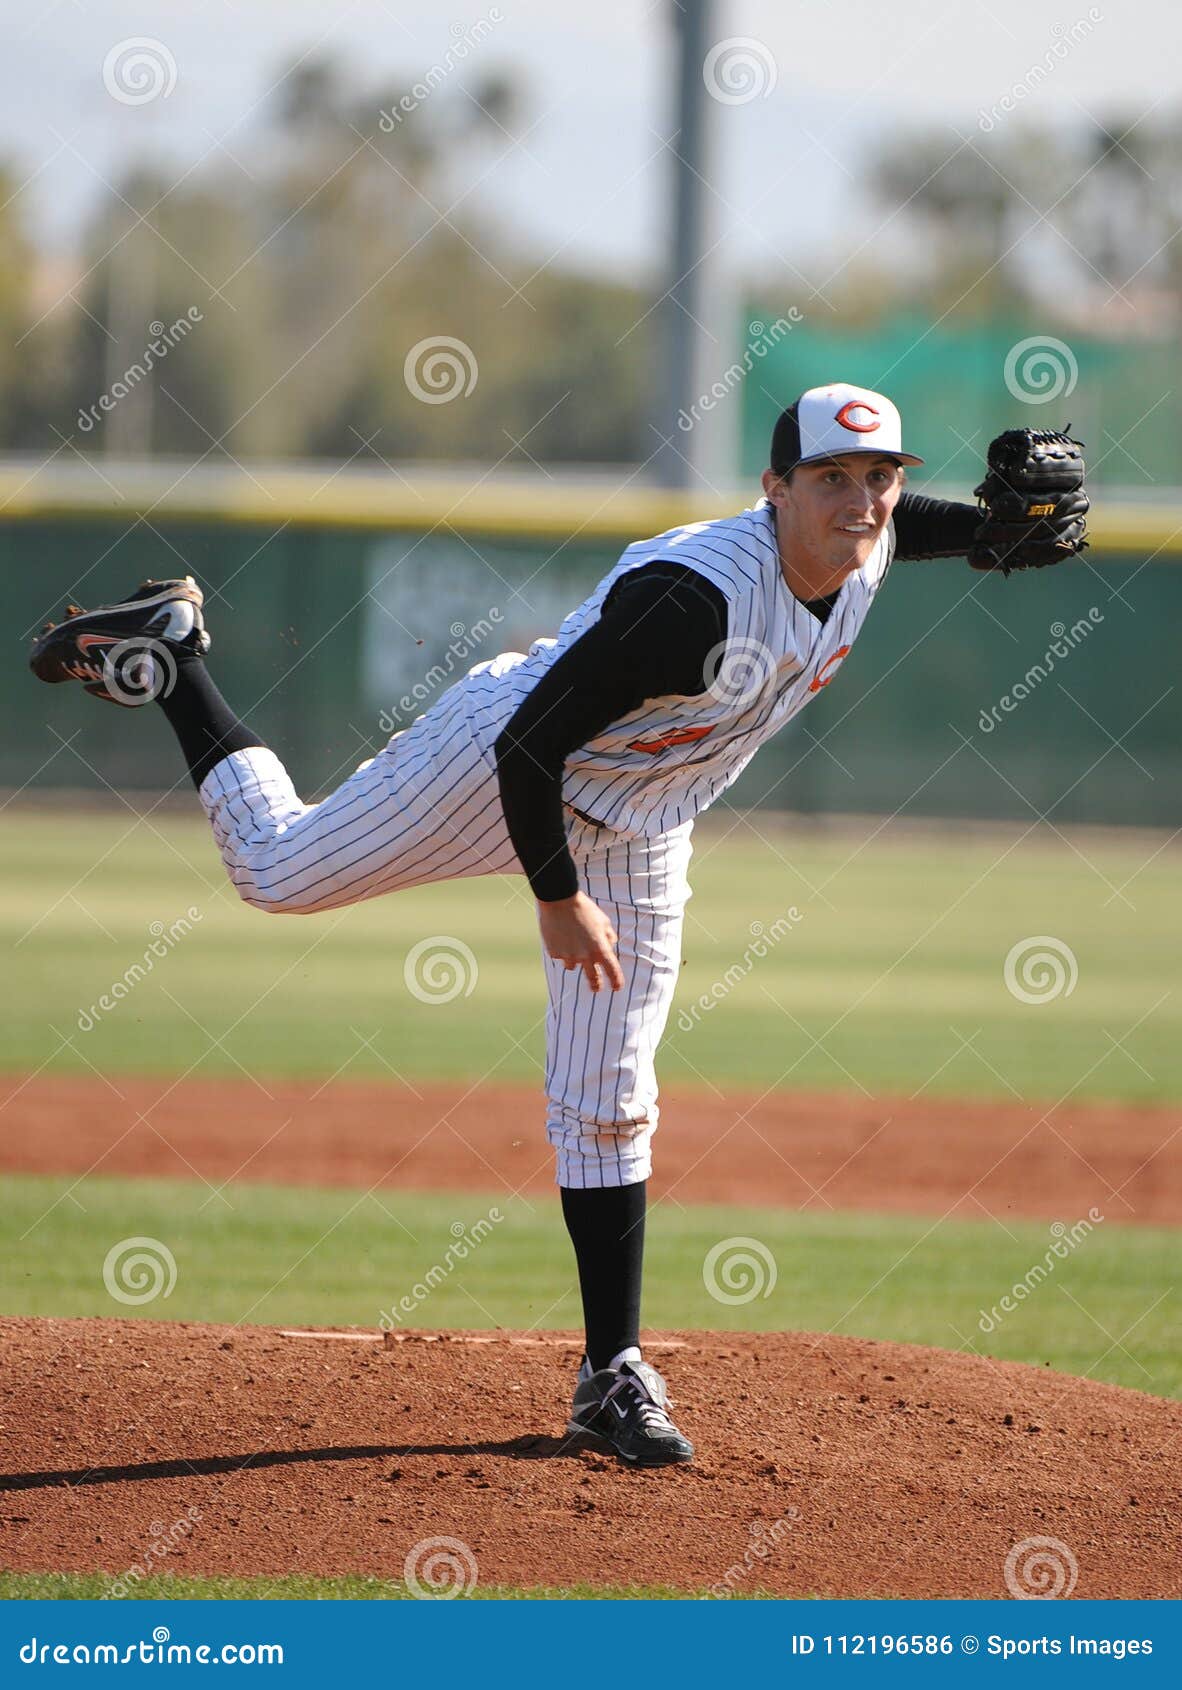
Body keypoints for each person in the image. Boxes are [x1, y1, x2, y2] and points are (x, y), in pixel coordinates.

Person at [30, 383, 1088, 1468]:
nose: (860, 501)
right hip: (505, 763)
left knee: (610, 1099)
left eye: (880, 477)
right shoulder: (692, 602)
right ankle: (174, 655)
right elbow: (530, 742)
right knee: (274, 870)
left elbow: (929, 530)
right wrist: (555, 895)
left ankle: (611, 1375)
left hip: (642, 820)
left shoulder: (862, 541)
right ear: (774, 489)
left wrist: (1009, 532)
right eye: (830, 478)